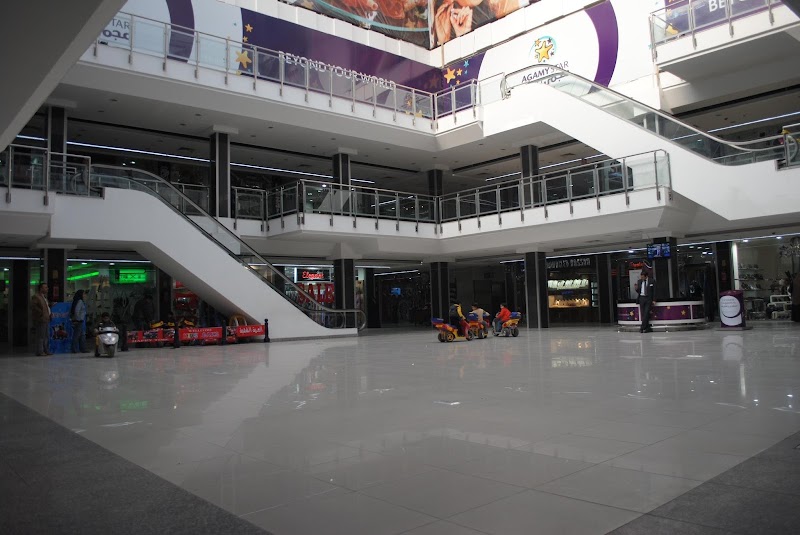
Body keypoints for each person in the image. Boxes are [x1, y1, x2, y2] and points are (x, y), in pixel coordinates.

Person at [31, 283, 53, 356]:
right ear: (41, 288)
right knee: (40, 336)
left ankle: (45, 350)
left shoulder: (44, 297)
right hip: (41, 319)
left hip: (46, 319)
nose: (47, 289)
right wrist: (41, 313)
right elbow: (34, 306)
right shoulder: (36, 297)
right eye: (45, 287)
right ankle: (40, 351)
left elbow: (46, 307)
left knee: (46, 336)